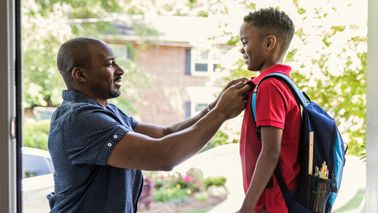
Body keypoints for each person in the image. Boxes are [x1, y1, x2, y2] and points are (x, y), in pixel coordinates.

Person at [47, 37, 251, 213]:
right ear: (80, 75)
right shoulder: (81, 119)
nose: (120, 70)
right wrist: (221, 112)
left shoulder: (105, 111)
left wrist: (214, 106)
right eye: (109, 64)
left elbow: (165, 134)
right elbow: (163, 156)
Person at [236, 8, 301, 213]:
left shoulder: (270, 87)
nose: (241, 49)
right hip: (276, 200)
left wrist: (247, 206)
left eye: (245, 42)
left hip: (271, 203)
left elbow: (271, 151)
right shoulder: (283, 83)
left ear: (269, 43)